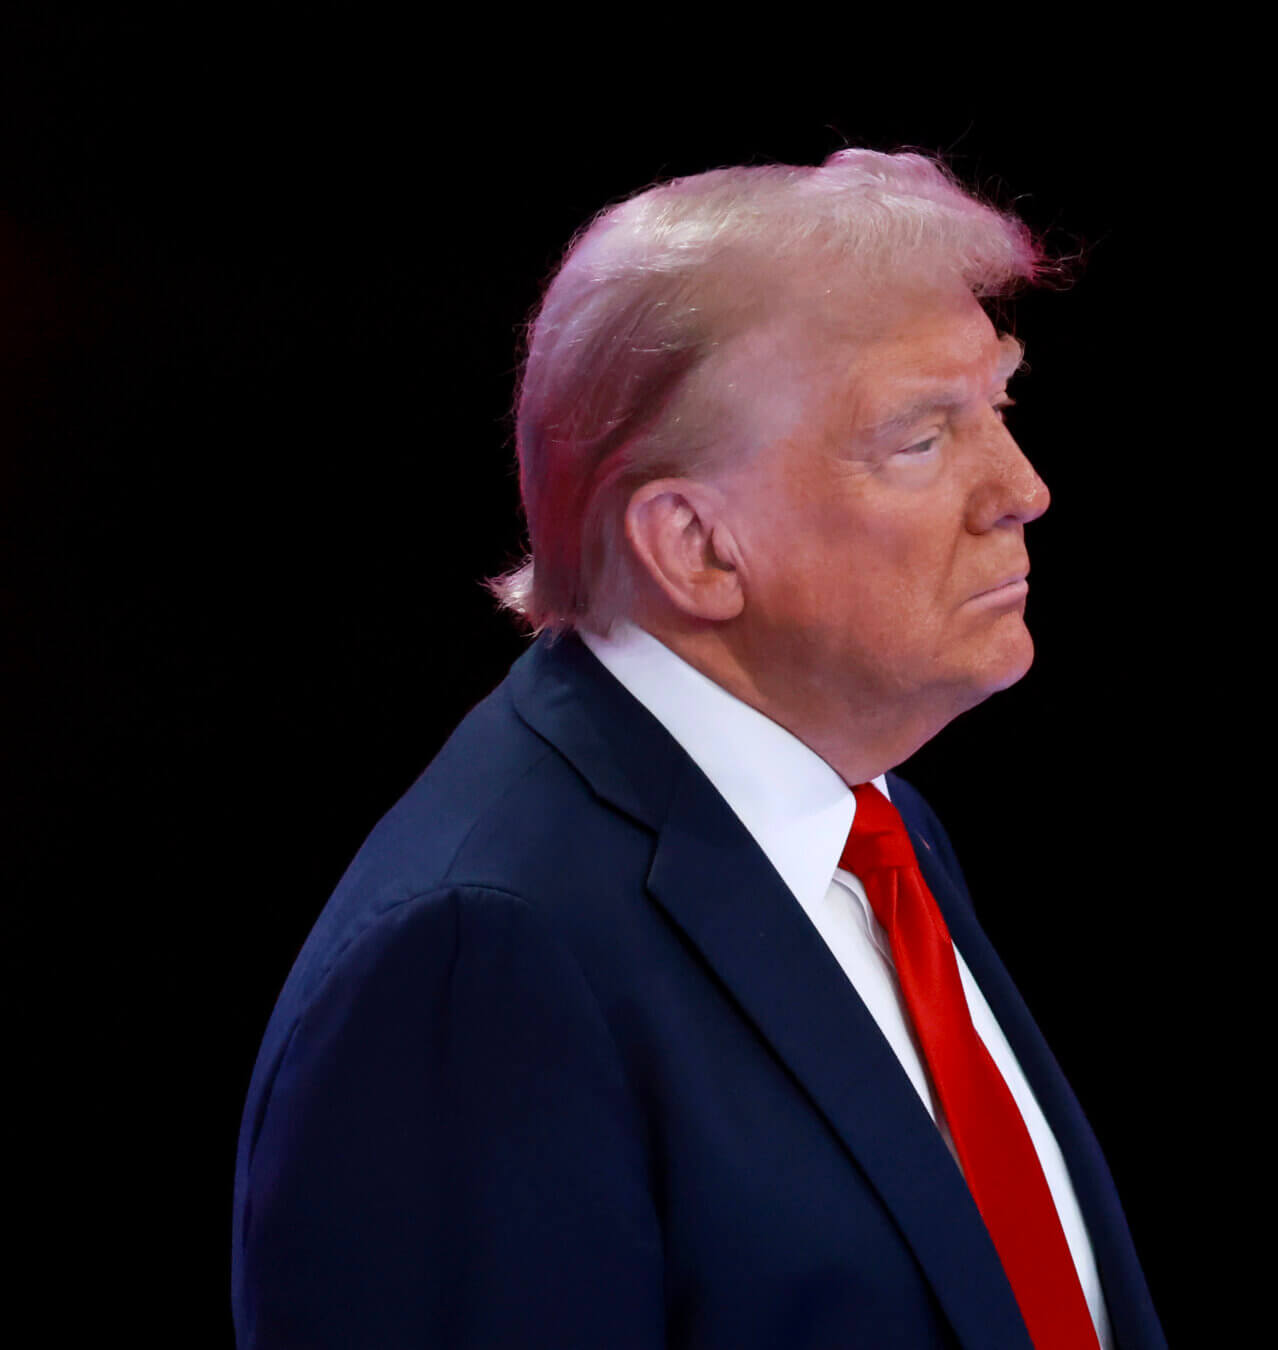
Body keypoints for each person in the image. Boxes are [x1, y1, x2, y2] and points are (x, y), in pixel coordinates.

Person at [230, 147, 1166, 1349]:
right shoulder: (475, 959)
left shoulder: (862, 814)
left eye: (1000, 407)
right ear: (696, 549)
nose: (1021, 487)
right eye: (920, 440)